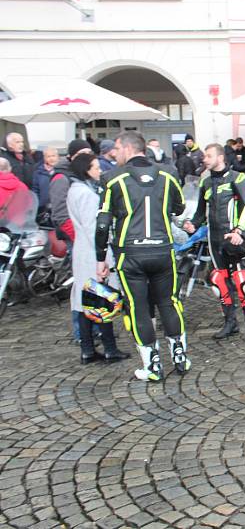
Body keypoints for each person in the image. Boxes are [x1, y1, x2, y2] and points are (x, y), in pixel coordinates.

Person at [96, 130, 191, 381]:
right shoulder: (168, 173)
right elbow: (179, 207)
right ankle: (180, 356)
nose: (115, 154)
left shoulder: (111, 178)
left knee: (138, 307)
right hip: (162, 249)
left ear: (127, 148)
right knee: (168, 302)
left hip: (131, 253)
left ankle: (152, 365)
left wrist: (100, 258)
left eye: (117, 149)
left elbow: (102, 223)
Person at [184, 143, 245, 341]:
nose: (204, 159)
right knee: (219, 280)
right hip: (214, 239)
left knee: (242, 279)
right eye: (204, 156)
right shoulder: (205, 183)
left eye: (208, 156)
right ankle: (230, 323)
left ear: (220, 158)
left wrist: (239, 230)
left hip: (234, 238)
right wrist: (192, 225)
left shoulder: (238, 178)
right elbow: (200, 213)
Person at [67, 153, 129, 365]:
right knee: (100, 300)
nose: (99, 170)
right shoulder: (85, 194)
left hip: (84, 251)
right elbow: (95, 229)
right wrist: (102, 258)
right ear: (86, 169)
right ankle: (109, 348)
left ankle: (88, 349)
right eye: (95, 167)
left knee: (88, 303)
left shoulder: (78, 191)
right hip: (91, 254)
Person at [50, 139, 93, 246]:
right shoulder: (61, 178)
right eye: (82, 153)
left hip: (87, 233)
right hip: (74, 235)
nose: (86, 157)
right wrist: (78, 236)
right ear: (72, 156)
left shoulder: (84, 173)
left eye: (89, 153)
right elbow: (60, 214)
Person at [31, 147, 59, 215]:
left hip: (59, 206)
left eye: (53, 156)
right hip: (43, 208)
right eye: (48, 156)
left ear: (58, 157)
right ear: (44, 158)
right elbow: (35, 190)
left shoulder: (63, 171)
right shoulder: (38, 172)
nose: (51, 158)